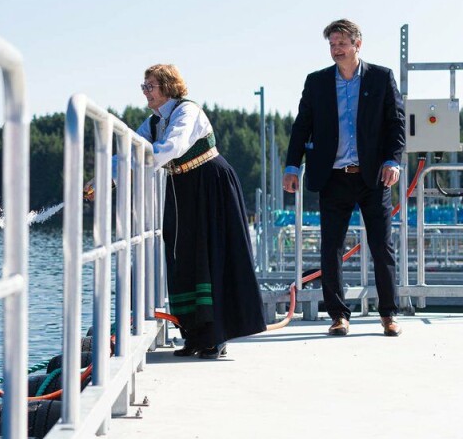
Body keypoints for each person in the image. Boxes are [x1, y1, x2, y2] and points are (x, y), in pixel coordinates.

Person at [283, 19, 405, 337]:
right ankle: (338, 315)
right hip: (333, 176)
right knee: (331, 247)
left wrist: (393, 160)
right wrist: (292, 166)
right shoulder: (317, 82)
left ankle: (389, 314)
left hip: (373, 177)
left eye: (341, 44)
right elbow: (302, 126)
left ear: (357, 45)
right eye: (332, 45)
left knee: (381, 246)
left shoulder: (381, 78)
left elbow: (396, 123)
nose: (336, 50)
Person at [137, 64, 265, 359]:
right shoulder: (153, 122)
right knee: (182, 255)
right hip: (181, 188)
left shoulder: (187, 111)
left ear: (168, 87)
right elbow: (134, 149)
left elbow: (172, 147)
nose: (146, 92)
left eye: (150, 86)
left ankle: (216, 336)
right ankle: (194, 335)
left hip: (210, 184)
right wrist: (107, 178)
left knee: (213, 255)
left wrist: (138, 162)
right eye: (143, 86)